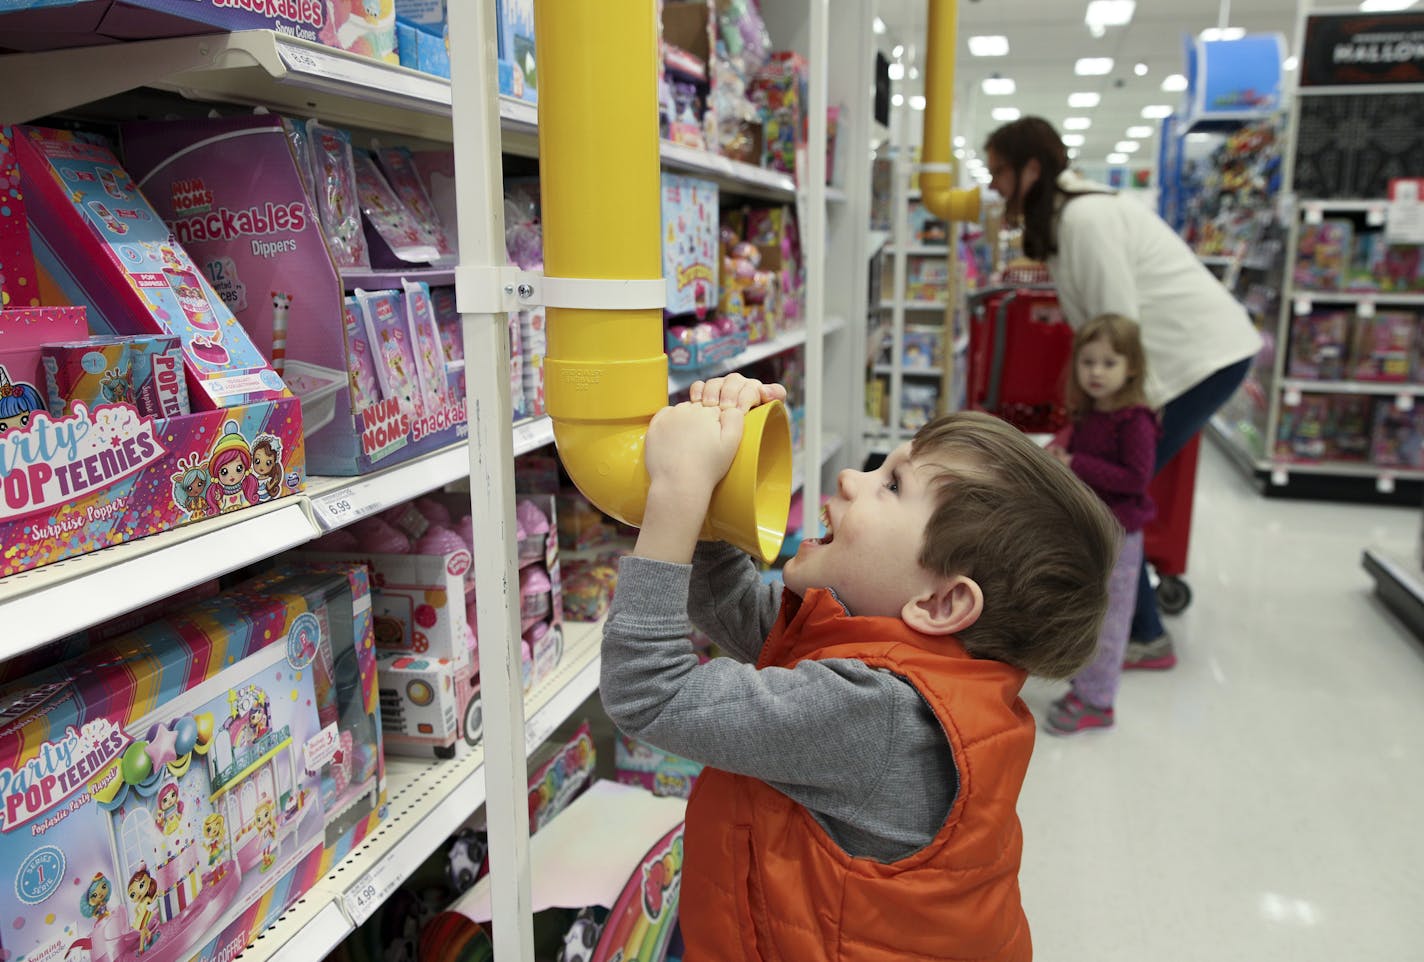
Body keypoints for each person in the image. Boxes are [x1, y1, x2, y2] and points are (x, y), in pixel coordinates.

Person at [600, 373, 1119, 961]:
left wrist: (678, 491)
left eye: (892, 484)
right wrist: (719, 474)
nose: (851, 477)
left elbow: (649, 691)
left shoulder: (880, 714)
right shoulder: (893, 648)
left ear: (941, 602)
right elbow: (733, 604)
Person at [984, 116, 1263, 669]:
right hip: (1162, 363)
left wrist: (1090, 437)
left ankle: (1140, 634)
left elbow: (1117, 331)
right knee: (1096, 494)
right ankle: (1131, 626)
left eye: (998, 172)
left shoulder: (1085, 219)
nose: (992, 185)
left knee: (1107, 500)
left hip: (1198, 359)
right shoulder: (1066, 219)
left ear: (1031, 169)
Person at [1045, 315, 1159, 734]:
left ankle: (1098, 701)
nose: (1095, 372)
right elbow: (1070, 441)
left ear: (1131, 367)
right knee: (1089, 611)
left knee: (1110, 619)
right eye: (1088, 361)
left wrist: (1077, 464)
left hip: (1120, 535)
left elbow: (1135, 478)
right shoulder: (1090, 413)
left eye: (1108, 363)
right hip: (1090, 528)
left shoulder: (1136, 421)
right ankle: (1085, 681)